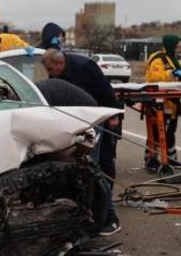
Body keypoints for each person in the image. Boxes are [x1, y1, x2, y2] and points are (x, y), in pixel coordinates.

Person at [42, 48, 122, 235]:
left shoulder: (84, 67)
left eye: (51, 70)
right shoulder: (54, 80)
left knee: (91, 169)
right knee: (85, 168)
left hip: (94, 118)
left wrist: (114, 114)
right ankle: (87, 213)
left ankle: (110, 219)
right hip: (76, 120)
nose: (50, 75)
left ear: (60, 64)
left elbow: (104, 88)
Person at [143, 34, 181, 170]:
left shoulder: (174, 59)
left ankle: (171, 158)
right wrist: (171, 74)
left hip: (172, 102)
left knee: (170, 131)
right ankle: (151, 159)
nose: (179, 50)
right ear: (170, 46)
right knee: (157, 131)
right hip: (159, 101)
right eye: (177, 47)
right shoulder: (158, 59)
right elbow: (153, 78)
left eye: (180, 47)